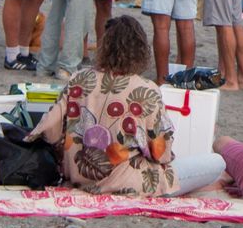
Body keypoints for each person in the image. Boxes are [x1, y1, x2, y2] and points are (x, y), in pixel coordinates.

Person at [31, 15, 225, 195]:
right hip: (130, 183)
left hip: (80, 178)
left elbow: (50, 128)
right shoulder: (145, 89)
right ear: (140, 51)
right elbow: (161, 152)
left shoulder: (79, 79)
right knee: (216, 162)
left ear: (104, 47)